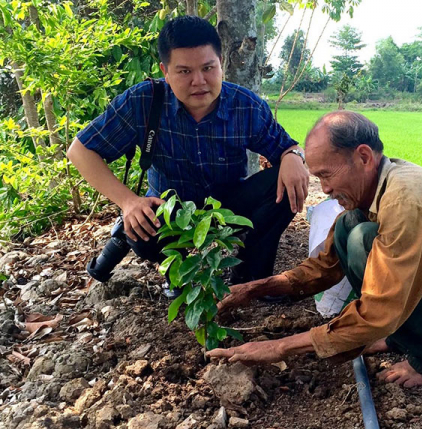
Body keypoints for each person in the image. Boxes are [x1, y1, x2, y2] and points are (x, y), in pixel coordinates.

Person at [207, 111, 422, 388]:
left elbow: (381, 308)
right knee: (348, 229)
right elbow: (324, 267)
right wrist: (252, 289)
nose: (325, 189)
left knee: (363, 241)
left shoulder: (405, 201)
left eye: (326, 175)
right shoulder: (370, 193)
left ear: (364, 157)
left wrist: (279, 348)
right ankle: (406, 336)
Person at [67, 16, 308, 287]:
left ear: (221, 64)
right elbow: (80, 151)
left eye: (208, 68)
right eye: (184, 72)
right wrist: (127, 201)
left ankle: (250, 275)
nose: (199, 81)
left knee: (287, 182)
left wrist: (292, 156)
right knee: (136, 228)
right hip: (170, 212)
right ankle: (179, 272)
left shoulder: (246, 106)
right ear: (165, 71)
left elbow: (288, 146)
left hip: (228, 208)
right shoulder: (143, 101)